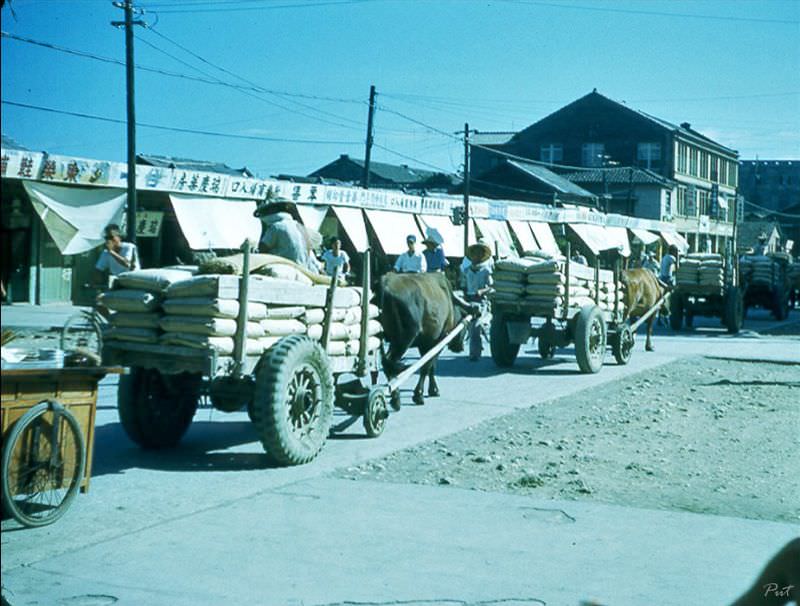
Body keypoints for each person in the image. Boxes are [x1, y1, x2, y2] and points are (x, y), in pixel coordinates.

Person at [254, 200, 311, 269]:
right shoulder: (299, 226)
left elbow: (262, 250)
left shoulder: (276, 226)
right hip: (302, 268)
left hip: (284, 267)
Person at [464, 240, 493, 361]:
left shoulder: (486, 270)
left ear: (482, 256)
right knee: (468, 326)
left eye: (479, 253)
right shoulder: (467, 270)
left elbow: (491, 286)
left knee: (476, 326)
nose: (476, 255)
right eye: (474, 253)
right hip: (469, 300)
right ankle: (476, 347)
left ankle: (474, 353)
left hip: (481, 301)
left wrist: (482, 291)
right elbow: (463, 285)